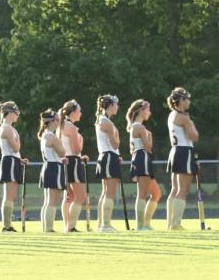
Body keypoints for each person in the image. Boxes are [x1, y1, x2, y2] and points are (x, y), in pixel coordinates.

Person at [165, 87, 199, 230]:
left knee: (174, 189)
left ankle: (170, 223)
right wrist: (191, 123)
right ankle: (176, 224)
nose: (189, 101)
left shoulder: (172, 115)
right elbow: (194, 136)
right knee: (182, 190)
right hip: (184, 151)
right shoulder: (184, 117)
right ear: (181, 101)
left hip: (175, 151)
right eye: (187, 99)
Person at [127, 99, 161, 231]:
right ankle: (140, 226)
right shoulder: (139, 127)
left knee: (156, 193)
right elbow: (148, 147)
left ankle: (146, 224)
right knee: (142, 194)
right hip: (142, 158)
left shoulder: (136, 127)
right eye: (148, 109)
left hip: (141, 158)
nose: (150, 112)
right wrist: (149, 137)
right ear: (141, 110)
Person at [59, 100, 89, 233]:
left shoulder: (62, 125)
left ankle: (67, 226)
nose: (81, 114)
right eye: (79, 111)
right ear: (73, 112)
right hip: (73, 162)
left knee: (69, 197)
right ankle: (70, 226)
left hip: (67, 161)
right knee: (80, 196)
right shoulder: (70, 127)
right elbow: (76, 149)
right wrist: (80, 141)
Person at [0, 101, 26, 233]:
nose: (17, 115)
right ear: (9, 113)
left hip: (14, 159)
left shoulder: (11, 128)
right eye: (16, 113)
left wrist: (20, 158)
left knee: (11, 195)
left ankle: (8, 224)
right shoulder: (7, 128)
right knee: (9, 195)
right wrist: (18, 142)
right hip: (10, 160)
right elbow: (16, 147)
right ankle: (6, 225)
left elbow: (16, 150)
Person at [94, 95, 122, 233]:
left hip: (105, 156)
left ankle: (101, 224)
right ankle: (105, 225)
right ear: (110, 106)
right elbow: (115, 143)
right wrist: (117, 137)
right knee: (109, 192)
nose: (117, 107)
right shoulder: (107, 122)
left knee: (105, 192)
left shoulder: (102, 120)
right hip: (109, 156)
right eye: (116, 104)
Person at [38, 109, 67, 233]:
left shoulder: (45, 134)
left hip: (48, 166)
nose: (59, 121)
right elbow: (63, 152)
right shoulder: (52, 137)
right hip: (54, 167)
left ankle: (46, 227)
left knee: (47, 200)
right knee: (52, 201)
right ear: (52, 121)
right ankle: (49, 228)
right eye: (57, 119)